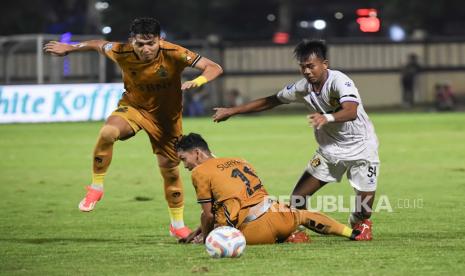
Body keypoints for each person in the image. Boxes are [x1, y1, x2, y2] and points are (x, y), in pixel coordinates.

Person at [43, 17, 223, 239]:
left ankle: (177, 225)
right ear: (132, 41)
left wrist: (198, 81)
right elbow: (98, 44)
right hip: (134, 108)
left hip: (166, 121)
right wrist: (71, 47)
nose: (145, 49)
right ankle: (96, 187)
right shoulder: (121, 51)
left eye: (151, 43)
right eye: (140, 44)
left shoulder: (174, 52)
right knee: (108, 132)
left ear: (160, 40)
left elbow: (214, 67)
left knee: (170, 171)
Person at [212, 40, 379, 240]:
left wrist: (327, 117)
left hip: (362, 147)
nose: (307, 71)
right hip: (329, 150)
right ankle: (295, 231)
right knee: (298, 198)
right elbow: (271, 100)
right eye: (303, 67)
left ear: (324, 64)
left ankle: (361, 222)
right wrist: (233, 110)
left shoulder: (340, 81)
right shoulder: (302, 88)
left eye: (311, 66)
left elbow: (351, 111)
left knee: (364, 205)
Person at [175, 133, 371, 244]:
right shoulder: (238, 160)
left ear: (197, 153)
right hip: (277, 213)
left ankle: (285, 238)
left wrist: (206, 237)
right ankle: (352, 233)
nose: (185, 165)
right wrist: (198, 230)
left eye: (184, 159)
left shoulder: (199, 172)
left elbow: (208, 215)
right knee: (301, 215)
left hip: (254, 231)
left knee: (222, 218)